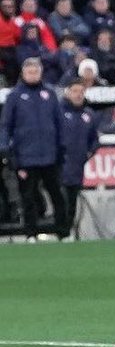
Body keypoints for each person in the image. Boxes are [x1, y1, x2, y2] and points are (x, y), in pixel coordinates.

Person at [0, 57, 68, 241]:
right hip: (26, 156)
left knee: (57, 194)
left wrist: (62, 147)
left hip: (50, 155)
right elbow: (6, 125)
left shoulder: (49, 94)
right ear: (23, 73)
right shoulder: (15, 96)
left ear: (41, 72)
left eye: (36, 71)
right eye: (29, 71)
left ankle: (63, 231)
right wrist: (5, 149)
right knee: (28, 197)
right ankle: (31, 232)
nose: (33, 75)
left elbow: (59, 122)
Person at [61, 80, 99, 236]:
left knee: (72, 201)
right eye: (75, 91)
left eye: (81, 91)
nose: (78, 94)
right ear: (68, 92)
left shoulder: (88, 115)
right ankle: (59, 231)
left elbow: (94, 139)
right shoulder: (59, 112)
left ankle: (68, 232)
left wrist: (89, 152)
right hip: (60, 165)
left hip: (77, 165)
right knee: (60, 200)